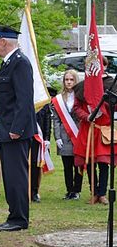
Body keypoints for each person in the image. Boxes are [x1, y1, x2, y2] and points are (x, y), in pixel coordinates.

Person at [0, 26, 36, 232]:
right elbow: (3, 90)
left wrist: (17, 128)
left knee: (17, 175)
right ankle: (14, 216)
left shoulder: (20, 62)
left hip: (15, 130)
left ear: (3, 42)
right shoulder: (9, 63)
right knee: (10, 175)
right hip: (7, 128)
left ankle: (20, 219)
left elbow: (24, 99)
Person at [72, 56, 115, 205]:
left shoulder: (111, 84)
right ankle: (94, 193)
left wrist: (106, 107)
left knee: (103, 162)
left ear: (104, 66)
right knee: (89, 163)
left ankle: (102, 193)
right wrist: (87, 116)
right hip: (88, 128)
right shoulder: (83, 85)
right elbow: (76, 107)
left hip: (103, 129)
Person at [52, 69, 82, 200]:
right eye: (66, 80)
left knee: (78, 164)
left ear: (76, 81)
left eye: (71, 80)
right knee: (67, 166)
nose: (69, 82)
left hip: (78, 135)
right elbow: (56, 119)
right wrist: (57, 137)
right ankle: (69, 190)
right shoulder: (58, 99)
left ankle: (77, 190)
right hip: (64, 136)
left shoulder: (81, 96)